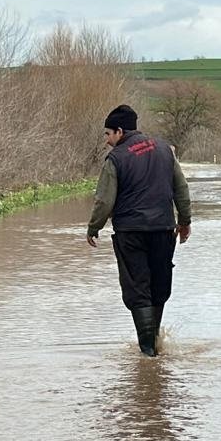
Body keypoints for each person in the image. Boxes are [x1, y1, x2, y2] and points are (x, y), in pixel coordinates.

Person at [86, 104, 191, 356]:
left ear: (120, 131)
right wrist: (185, 221)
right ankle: (155, 344)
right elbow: (181, 188)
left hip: (130, 232)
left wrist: (94, 227)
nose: (106, 139)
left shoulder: (116, 158)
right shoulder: (165, 150)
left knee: (137, 288)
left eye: (107, 134)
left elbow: (104, 200)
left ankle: (147, 353)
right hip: (164, 230)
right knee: (159, 286)